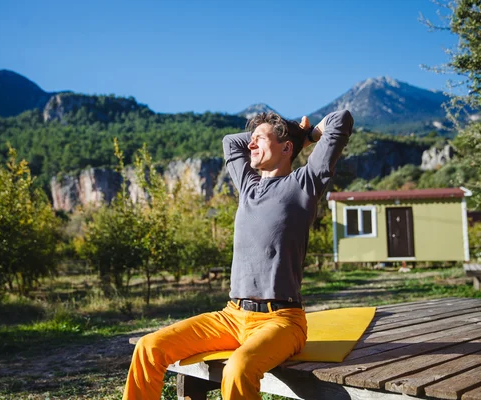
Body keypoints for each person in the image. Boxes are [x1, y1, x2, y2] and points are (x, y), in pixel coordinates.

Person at [123, 109, 354, 400]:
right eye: (252, 139)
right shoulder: (248, 186)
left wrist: (304, 136)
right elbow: (230, 141)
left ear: (286, 149)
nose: (251, 145)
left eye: (260, 139)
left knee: (238, 368)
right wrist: (279, 134)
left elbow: (341, 120)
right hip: (231, 316)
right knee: (148, 347)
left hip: (281, 321)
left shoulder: (303, 185)